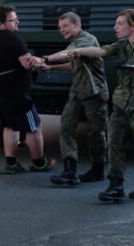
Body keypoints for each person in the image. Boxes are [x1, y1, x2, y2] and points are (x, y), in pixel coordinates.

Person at [49, 8, 134, 202]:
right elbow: (101, 51)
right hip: (121, 101)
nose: (115, 27)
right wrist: (77, 50)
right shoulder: (120, 45)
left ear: (133, 25)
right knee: (115, 143)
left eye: (120, 24)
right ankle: (115, 185)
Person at [39, 12, 108, 186]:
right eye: (60, 27)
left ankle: (98, 169)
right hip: (77, 92)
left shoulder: (88, 40)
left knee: (96, 132)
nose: (62, 30)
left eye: (66, 26)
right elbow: (73, 63)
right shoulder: (74, 44)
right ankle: (70, 171)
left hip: (94, 92)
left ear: (77, 25)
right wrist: (50, 67)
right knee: (66, 128)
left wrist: (45, 58)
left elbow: (69, 54)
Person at [0, 5, 49, 173]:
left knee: (10, 126)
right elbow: (27, 63)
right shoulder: (11, 37)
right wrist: (41, 62)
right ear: (1, 24)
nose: (17, 23)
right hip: (14, 94)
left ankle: (11, 164)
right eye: (13, 20)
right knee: (34, 126)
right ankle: (39, 163)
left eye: (17, 19)